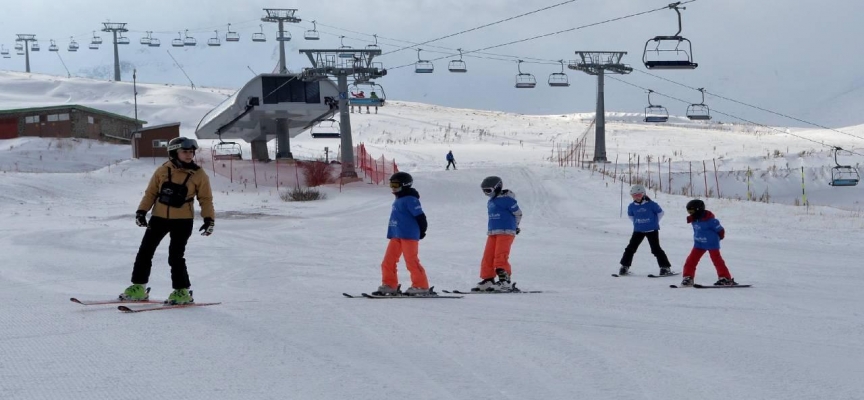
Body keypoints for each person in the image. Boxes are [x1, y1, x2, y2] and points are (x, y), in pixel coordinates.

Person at [119, 137, 215, 304]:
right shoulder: (162, 170)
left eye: (191, 152)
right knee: (145, 252)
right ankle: (138, 288)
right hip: (159, 218)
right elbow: (151, 193)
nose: (189, 155)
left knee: (175, 256)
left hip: (183, 220)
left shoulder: (199, 175)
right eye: (185, 151)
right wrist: (141, 212)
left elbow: (205, 199)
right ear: (174, 152)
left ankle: (182, 291)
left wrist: (208, 219)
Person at [374, 172, 433, 296]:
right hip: (396, 234)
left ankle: (421, 285)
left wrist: (422, 230)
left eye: (395, 185)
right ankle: (390, 285)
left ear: (405, 185)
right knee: (388, 261)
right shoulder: (399, 199)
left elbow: (420, 216)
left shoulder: (410, 199)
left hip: (409, 235)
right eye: (391, 185)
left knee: (411, 261)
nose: (393, 188)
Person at [475, 176, 523, 291]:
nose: (487, 194)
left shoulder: (507, 200)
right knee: (488, 256)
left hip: (506, 231)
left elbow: (518, 213)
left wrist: (515, 227)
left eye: (488, 191)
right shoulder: (491, 201)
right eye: (484, 191)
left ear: (497, 188)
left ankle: (505, 281)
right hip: (493, 232)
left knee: (500, 256)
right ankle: (488, 279)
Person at [618, 184, 673, 276]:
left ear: (643, 194)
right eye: (634, 195)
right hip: (638, 230)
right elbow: (631, 216)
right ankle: (624, 267)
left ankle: (665, 268)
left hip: (652, 230)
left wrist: (654, 222)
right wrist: (638, 223)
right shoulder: (631, 206)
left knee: (656, 249)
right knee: (630, 249)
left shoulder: (652, 204)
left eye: (639, 195)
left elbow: (661, 213)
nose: (637, 197)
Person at [680, 199, 736, 286]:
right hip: (699, 243)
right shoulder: (693, 219)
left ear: (698, 210)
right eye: (688, 211)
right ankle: (688, 278)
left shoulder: (711, 221)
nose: (690, 214)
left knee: (717, 261)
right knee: (691, 260)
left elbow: (721, 231)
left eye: (691, 211)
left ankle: (725, 278)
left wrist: (717, 238)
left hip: (711, 244)